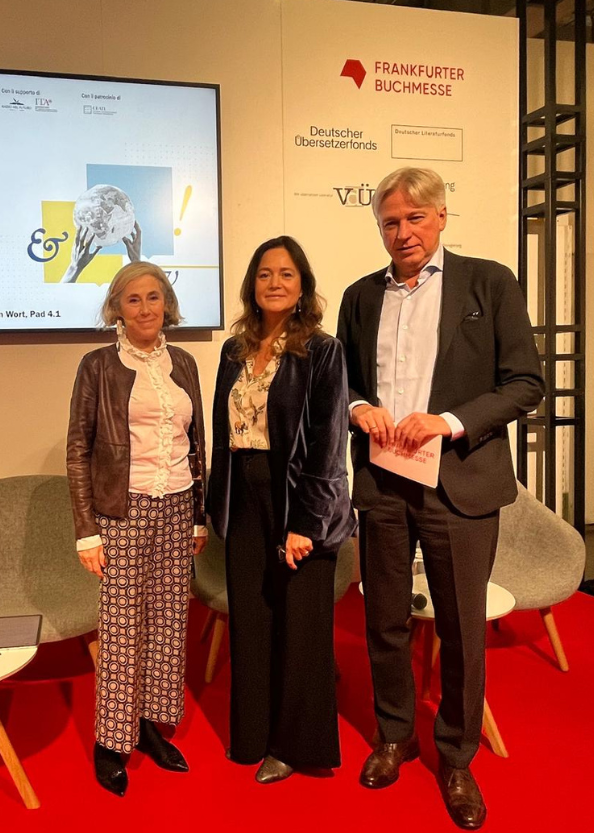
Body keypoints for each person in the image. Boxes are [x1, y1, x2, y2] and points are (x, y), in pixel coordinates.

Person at [336, 167, 543, 830]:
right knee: (384, 620)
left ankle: (456, 757)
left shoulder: (489, 283)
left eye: (415, 218)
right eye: (390, 222)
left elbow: (525, 383)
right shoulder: (360, 296)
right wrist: (360, 408)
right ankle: (395, 735)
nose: (403, 232)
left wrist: (448, 421)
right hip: (384, 483)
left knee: (460, 629)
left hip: (459, 482)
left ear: (442, 217)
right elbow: (343, 382)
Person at [207, 235, 353, 784]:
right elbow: (222, 434)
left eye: (286, 274)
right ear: (252, 285)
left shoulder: (322, 350)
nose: (274, 283)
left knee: (301, 625)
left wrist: (306, 524)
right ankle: (252, 734)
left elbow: (327, 444)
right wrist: (216, 506)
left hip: (299, 500)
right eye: (265, 274)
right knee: (252, 619)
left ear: (302, 286)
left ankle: (294, 745)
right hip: (244, 498)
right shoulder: (234, 349)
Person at [66, 261, 208, 797]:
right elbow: (78, 450)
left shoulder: (184, 362)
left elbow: (197, 443)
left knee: (168, 623)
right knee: (123, 629)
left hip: (177, 507)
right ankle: (111, 742)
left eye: (154, 297)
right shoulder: (98, 365)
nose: (145, 308)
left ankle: (149, 726)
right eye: (133, 299)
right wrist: (87, 530)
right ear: (117, 309)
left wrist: (199, 514)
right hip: (122, 511)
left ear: (167, 303)